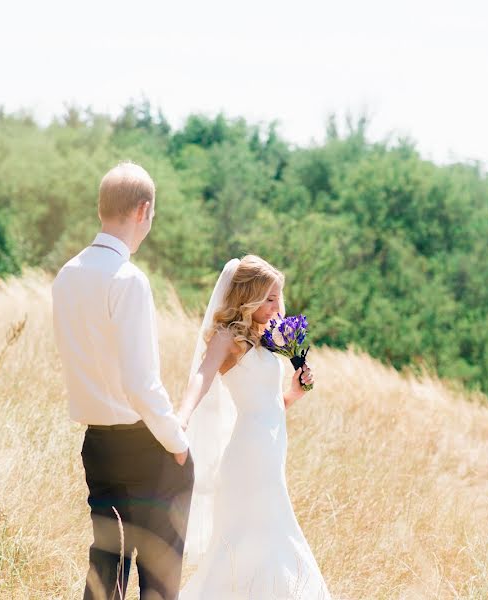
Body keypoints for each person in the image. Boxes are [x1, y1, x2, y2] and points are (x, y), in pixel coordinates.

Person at [51, 161, 193, 600]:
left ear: (101, 209)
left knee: (106, 565)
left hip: (97, 443)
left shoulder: (67, 274)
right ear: (143, 210)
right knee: (159, 572)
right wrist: (177, 443)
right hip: (144, 445)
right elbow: (140, 382)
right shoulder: (129, 280)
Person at [176, 255, 331, 599]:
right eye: (270, 298)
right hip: (249, 456)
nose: (278, 306)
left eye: (279, 297)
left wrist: (294, 392)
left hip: (269, 451)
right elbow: (202, 376)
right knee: (265, 536)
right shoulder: (227, 336)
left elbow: (269, 406)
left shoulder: (261, 340)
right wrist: (183, 416)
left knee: (261, 541)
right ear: (248, 295)